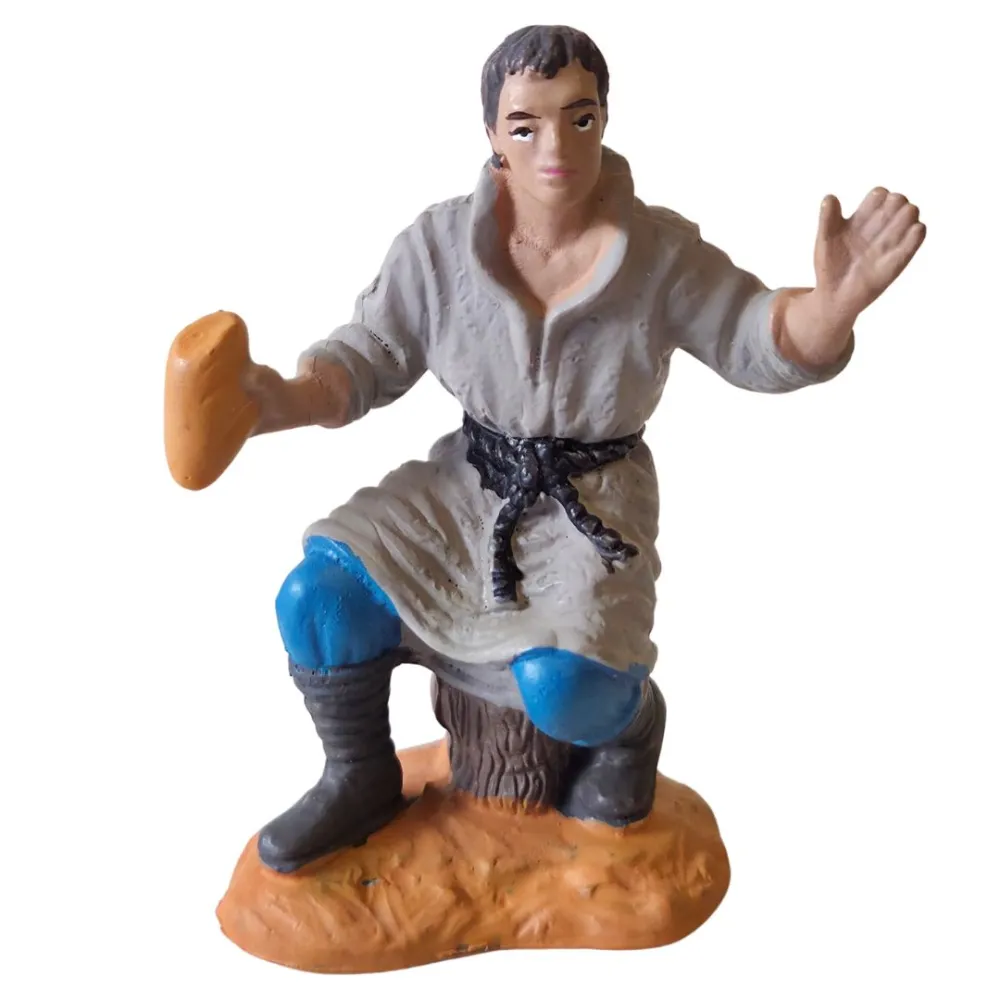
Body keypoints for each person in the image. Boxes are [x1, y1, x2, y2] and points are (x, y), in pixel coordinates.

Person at [237, 24, 925, 873]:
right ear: (492, 134)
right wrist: (278, 399)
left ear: (606, 119)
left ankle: (633, 729)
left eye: (580, 118)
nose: (554, 148)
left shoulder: (659, 252)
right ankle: (358, 774)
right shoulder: (438, 246)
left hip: (590, 500)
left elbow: (754, 335)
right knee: (319, 597)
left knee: (566, 688)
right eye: (525, 125)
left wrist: (832, 306)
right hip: (464, 485)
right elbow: (366, 356)